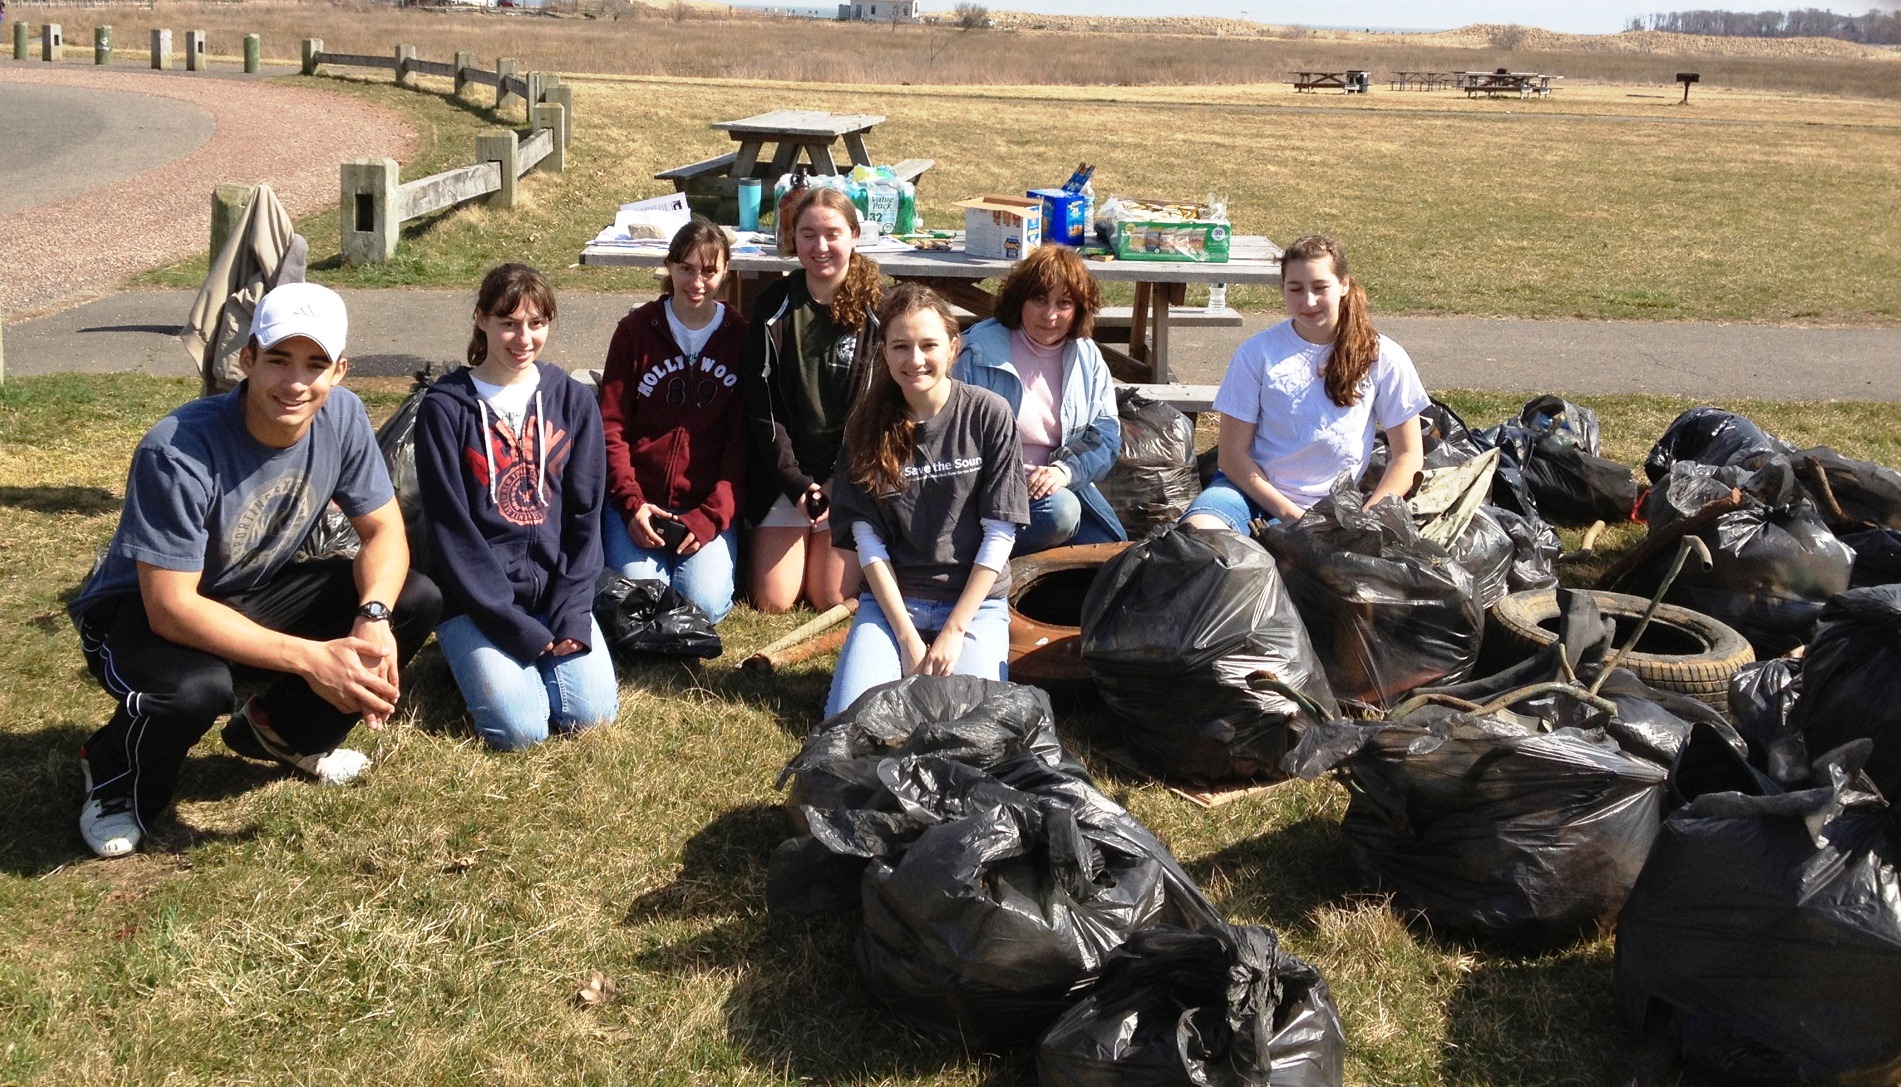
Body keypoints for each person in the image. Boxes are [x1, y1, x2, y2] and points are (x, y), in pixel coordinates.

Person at [68, 282, 441, 859]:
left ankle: (281, 732)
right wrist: (313, 659)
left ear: (339, 371)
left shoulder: (342, 415)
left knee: (411, 598)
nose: (295, 382)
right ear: (246, 359)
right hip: (139, 612)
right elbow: (170, 608)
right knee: (197, 689)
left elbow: (385, 532)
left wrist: (371, 617)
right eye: (278, 360)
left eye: (315, 364)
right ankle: (115, 769)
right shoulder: (177, 450)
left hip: (248, 591)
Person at [413, 263, 618, 752]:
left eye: (536, 323)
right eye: (508, 323)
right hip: (477, 600)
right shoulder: (444, 409)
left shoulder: (572, 400)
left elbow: (585, 520)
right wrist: (511, 625)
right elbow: (450, 532)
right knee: (521, 732)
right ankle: (469, 654)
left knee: (592, 716)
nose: (523, 338)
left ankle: (512, 660)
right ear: (481, 320)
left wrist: (571, 612)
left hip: (554, 593)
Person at [823, 284, 1030, 717]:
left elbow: (1000, 531)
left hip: (975, 605)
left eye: (928, 345)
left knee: (971, 731)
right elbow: (869, 543)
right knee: (854, 727)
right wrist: (906, 638)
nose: (915, 360)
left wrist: (955, 630)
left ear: (953, 348)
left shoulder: (989, 414)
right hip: (895, 603)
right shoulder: (864, 426)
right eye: (900, 346)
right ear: (883, 351)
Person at [1183, 233, 1428, 532]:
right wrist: (1291, 516)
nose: (1308, 301)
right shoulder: (1257, 353)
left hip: (1335, 506)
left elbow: (1408, 455)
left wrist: (1367, 517)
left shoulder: (1383, 355)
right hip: (1251, 493)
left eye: (1320, 287)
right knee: (1198, 536)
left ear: (1344, 285)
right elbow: (1232, 456)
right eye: (1295, 289)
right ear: (1282, 288)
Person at [739, 186, 882, 613]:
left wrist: (841, 481)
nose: (821, 247)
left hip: (850, 476)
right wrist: (797, 485)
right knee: (774, 600)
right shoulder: (773, 306)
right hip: (788, 477)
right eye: (807, 234)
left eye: (832, 233)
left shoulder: (880, 310)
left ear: (855, 236)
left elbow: (880, 412)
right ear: (793, 240)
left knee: (831, 597)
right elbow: (762, 410)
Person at [598, 218, 748, 623]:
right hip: (640, 498)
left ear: (725, 272)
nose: (696, 281)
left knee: (704, 605)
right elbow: (610, 427)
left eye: (709, 271)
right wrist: (630, 505)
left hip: (703, 503)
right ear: (669, 267)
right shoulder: (634, 332)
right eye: (686, 268)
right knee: (638, 602)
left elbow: (741, 443)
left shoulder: (740, 337)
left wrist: (709, 518)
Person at [954, 243, 1127, 554]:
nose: (1050, 315)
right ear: (1019, 299)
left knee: (1111, 556)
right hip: (985, 495)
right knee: (1062, 513)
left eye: (1063, 304)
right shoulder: (975, 351)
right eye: (1039, 300)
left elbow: (1106, 437)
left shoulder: (1088, 357)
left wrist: (1065, 471)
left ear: (1079, 310)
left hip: (1059, 488)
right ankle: (975, 559)